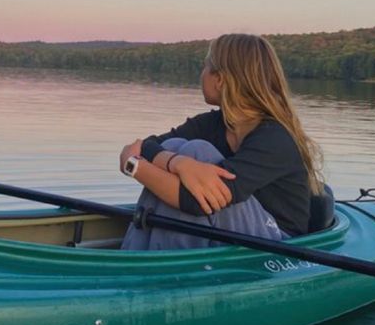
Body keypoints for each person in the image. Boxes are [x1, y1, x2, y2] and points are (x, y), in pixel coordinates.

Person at [119, 33, 324, 250]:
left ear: (220, 80)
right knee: (174, 147)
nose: (201, 74)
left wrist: (134, 166)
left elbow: (196, 202)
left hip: (280, 242)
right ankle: (133, 259)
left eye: (205, 66)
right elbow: (147, 145)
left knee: (199, 152)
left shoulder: (275, 138)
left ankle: (163, 269)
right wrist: (177, 163)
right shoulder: (213, 123)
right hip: (236, 230)